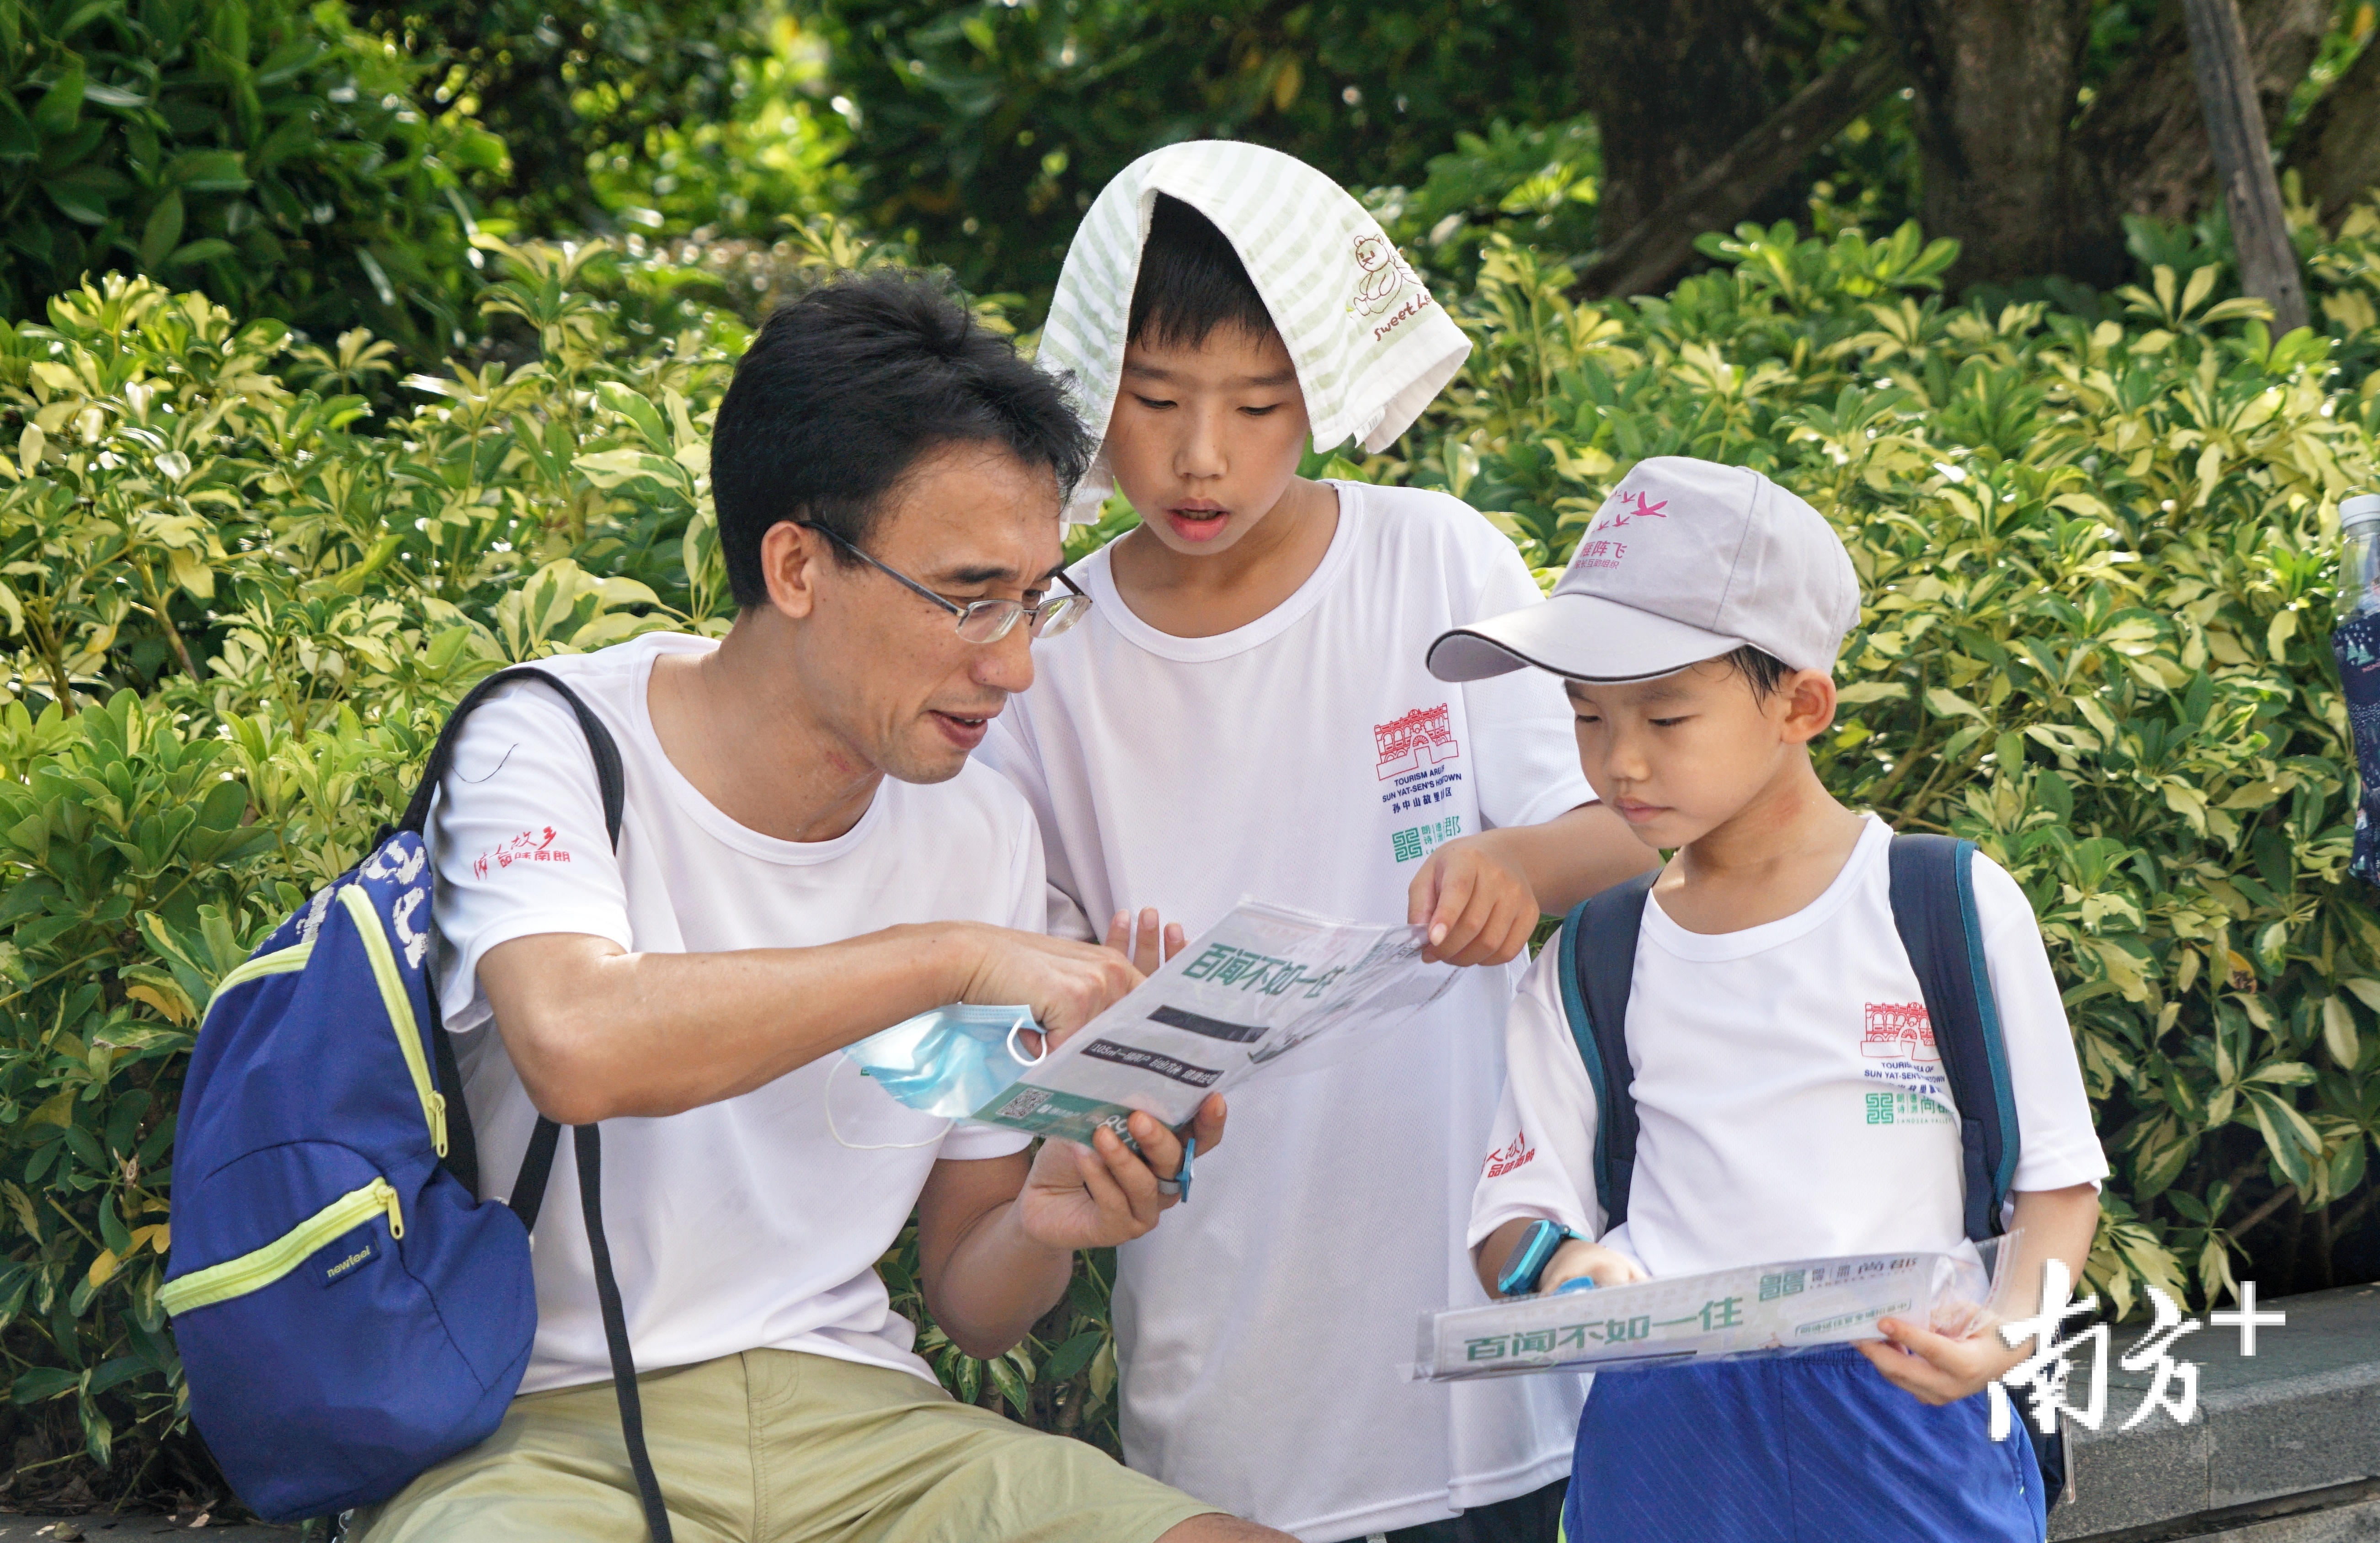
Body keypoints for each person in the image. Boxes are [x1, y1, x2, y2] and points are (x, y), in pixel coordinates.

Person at [351, 272, 1295, 1543]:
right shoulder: (556, 739)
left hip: (870, 1432)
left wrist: (1045, 1217)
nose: (1012, 661)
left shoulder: (978, 832)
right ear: (795, 565)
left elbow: (974, 1301)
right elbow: (578, 1042)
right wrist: (950, 959)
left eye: (1034, 597)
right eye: (968, 595)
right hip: (546, 1442)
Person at [978, 143, 1656, 1543]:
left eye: (1257, 403)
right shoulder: (1054, 646)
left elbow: (1631, 825)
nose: (1198, 455)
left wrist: (1519, 870)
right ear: (1086, 384)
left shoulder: (1432, 560)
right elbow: (1016, 994)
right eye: (1153, 401)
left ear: (1325, 393)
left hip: (1494, 1356)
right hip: (1230, 1379)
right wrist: (1094, 998)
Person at [1434, 456, 2110, 1543]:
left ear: (1800, 701)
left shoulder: (1938, 904)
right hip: (1664, 1435)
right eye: (1587, 716)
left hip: (1906, 1410)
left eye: (1664, 715)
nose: (1618, 761)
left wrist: (2003, 1334)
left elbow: (2055, 1185)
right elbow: (1510, 1216)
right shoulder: (1595, 953)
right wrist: (1568, 1267)